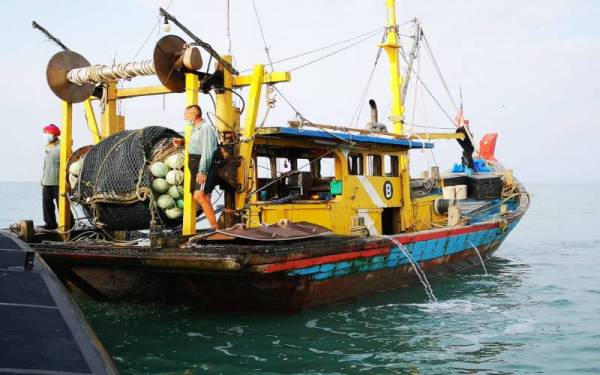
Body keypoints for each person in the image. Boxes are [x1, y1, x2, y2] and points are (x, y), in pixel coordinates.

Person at [184, 104, 220, 230]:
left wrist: (202, 171)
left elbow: (207, 150)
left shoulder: (206, 128)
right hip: (195, 165)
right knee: (201, 196)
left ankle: (215, 228)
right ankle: (214, 227)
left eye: (186, 114)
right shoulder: (194, 128)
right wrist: (181, 142)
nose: (184, 117)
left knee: (200, 195)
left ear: (194, 115)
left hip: (202, 166)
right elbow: (197, 144)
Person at [40, 124, 61, 230]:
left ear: (54, 135)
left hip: (58, 181)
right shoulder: (46, 147)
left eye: (48, 133)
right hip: (46, 181)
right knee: (46, 204)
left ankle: (68, 223)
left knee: (61, 204)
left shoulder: (62, 146)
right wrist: (42, 179)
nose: (46, 135)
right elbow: (45, 165)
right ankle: (50, 223)